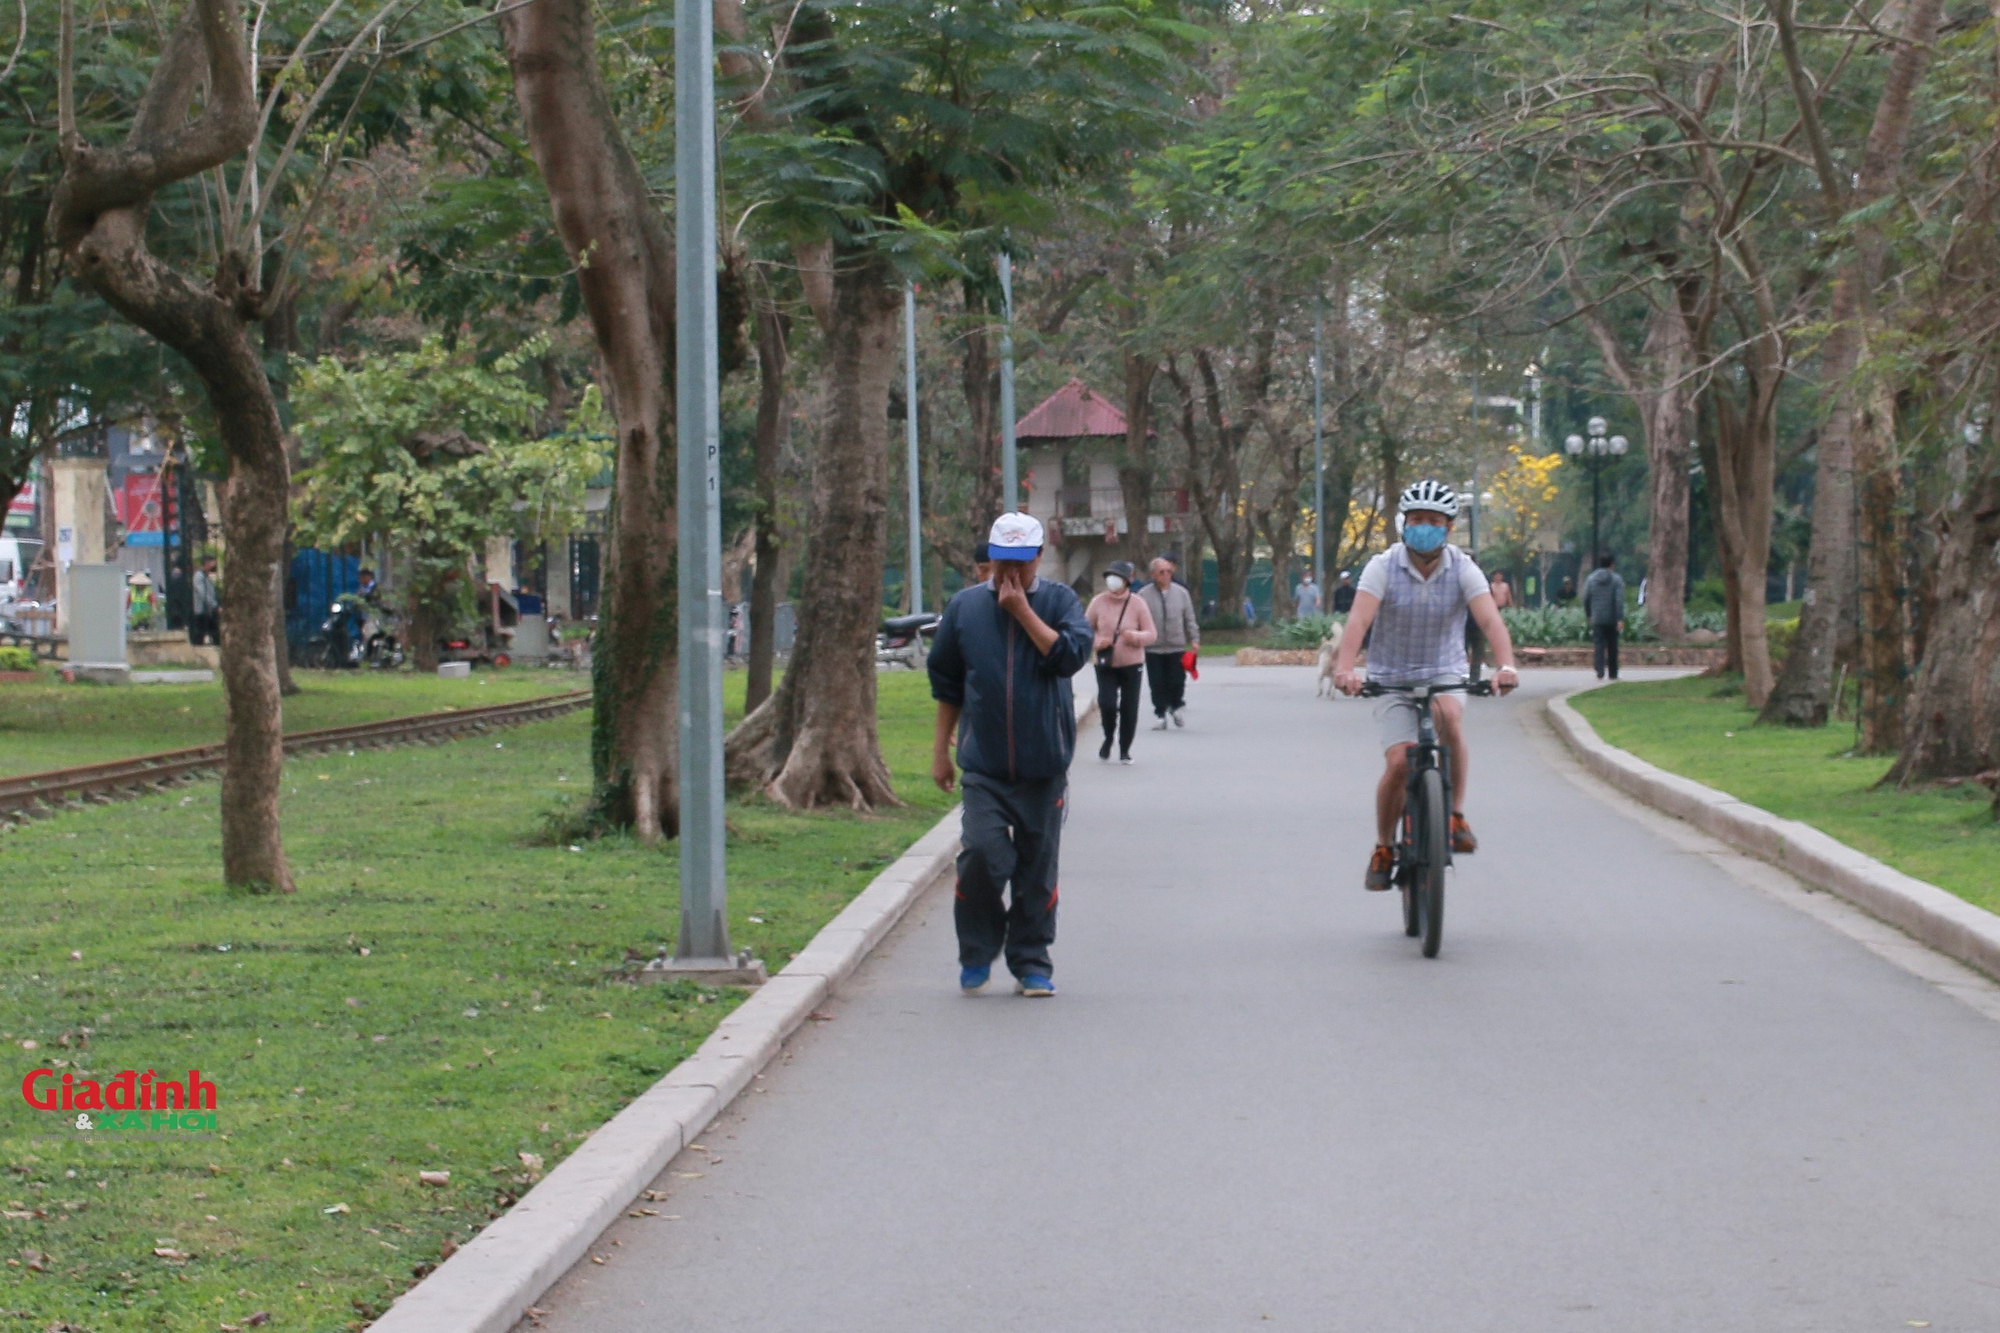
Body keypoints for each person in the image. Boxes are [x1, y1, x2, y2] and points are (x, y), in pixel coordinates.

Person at [928, 512, 1093, 998]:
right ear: (989, 561)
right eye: (1002, 563)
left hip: (1044, 765)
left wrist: (1023, 612)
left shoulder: (1061, 602)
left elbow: (1069, 657)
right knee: (982, 854)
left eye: (1021, 563)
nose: (1011, 574)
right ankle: (977, 950)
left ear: (1039, 558)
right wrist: (941, 749)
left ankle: (1031, 961)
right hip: (985, 766)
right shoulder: (964, 609)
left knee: (1036, 870)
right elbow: (947, 683)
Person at [1335, 480, 1519, 892]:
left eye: (1433, 521)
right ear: (1404, 523)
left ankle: (1453, 815)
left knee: (1450, 717)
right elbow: (1359, 621)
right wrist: (1345, 669)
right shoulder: (1383, 566)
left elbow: (1490, 621)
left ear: (1448, 528)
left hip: (1444, 672)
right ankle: (1384, 846)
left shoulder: (1464, 567)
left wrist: (1506, 665)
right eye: (1416, 520)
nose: (1424, 527)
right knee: (1400, 761)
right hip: (1391, 678)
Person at [1086, 559, 1157, 764]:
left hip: (1132, 664)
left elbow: (1151, 634)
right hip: (1105, 662)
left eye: (1117, 578)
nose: (1113, 582)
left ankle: (1125, 748)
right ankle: (1108, 737)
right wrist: (1098, 641)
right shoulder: (1098, 602)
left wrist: (1134, 637)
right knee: (1107, 703)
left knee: (1129, 707)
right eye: (1110, 577)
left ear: (1127, 581)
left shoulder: (1137, 603)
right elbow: (1084, 629)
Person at [1137, 554, 1199, 729]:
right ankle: (1160, 714)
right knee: (1156, 682)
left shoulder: (1181, 593)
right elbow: (1138, 619)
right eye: (1161, 572)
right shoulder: (1143, 595)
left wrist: (1194, 639)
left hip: (1176, 645)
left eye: (1168, 572)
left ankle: (1176, 705)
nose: (1165, 575)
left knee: (1177, 680)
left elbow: (1189, 618)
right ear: (1153, 575)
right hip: (1153, 648)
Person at [1582, 553, 1626, 680]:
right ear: (1612, 564)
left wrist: (1589, 614)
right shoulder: (1616, 579)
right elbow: (1619, 600)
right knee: (1613, 645)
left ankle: (1600, 670)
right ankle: (1613, 672)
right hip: (1611, 619)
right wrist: (1619, 618)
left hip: (1597, 617)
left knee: (1598, 645)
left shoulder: (1591, 579)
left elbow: (1586, 598)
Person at [189, 557, 220, 646]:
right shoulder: (199, 576)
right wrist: (214, 606)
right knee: (199, 635)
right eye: (212, 564)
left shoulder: (205, 577)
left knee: (215, 634)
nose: (214, 566)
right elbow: (203, 593)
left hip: (208, 611)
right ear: (206, 564)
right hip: (201, 611)